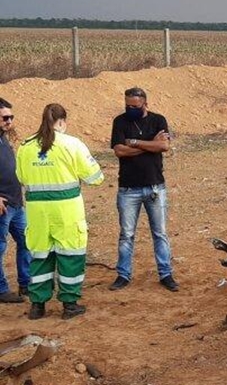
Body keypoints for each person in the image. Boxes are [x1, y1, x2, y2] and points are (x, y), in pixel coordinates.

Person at [16, 104, 104, 319]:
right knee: (70, 256)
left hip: (37, 212)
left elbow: (21, 177)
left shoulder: (25, 146)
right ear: (62, 121)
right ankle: (70, 305)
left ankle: (37, 306)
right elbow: (95, 178)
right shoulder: (72, 144)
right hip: (67, 211)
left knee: (39, 257)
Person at [109, 87, 178, 292]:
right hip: (128, 188)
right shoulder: (119, 121)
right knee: (127, 234)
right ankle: (123, 274)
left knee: (160, 233)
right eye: (128, 105)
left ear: (145, 103)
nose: (130, 109)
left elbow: (163, 147)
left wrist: (136, 142)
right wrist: (150, 144)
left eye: (135, 106)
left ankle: (165, 274)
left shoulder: (158, 120)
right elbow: (119, 150)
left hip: (154, 185)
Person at [0, 98, 30, 303]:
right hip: (2, 205)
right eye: (4, 117)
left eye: (11, 117)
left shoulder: (4, 138)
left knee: (27, 242)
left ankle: (26, 283)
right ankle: (1, 290)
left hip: (16, 203)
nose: (9, 121)